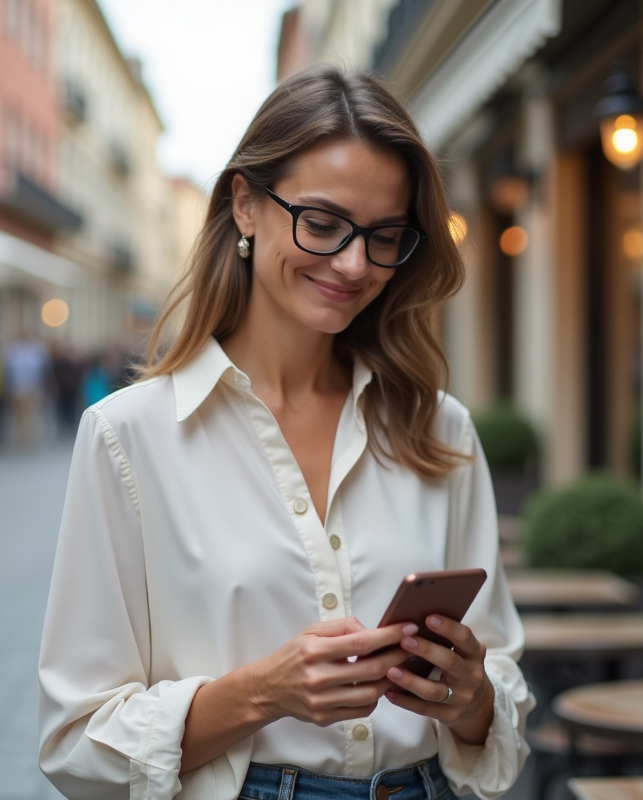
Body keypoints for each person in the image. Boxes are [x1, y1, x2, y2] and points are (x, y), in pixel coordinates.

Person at [38, 66, 534, 800]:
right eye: (324, 223)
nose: (355, 264)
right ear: (245, 205)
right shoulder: (128, 437)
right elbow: (74, 741)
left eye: (385, 235)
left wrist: (471, 696)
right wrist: (261, 693)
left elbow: (498, 695)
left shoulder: (439, 428)